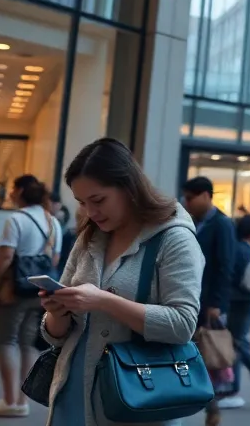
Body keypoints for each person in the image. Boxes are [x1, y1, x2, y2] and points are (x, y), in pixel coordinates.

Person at [41, 138, 204, 426]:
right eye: (82, 203)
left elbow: (182, 325)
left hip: (136, 396)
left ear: (128, 187)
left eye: (98, 200)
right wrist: (56, 311)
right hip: (72, 390)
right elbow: (55, 335)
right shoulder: (90, 237)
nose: (90, 212)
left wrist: (103, 300)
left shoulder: (174, 238)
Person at [0, 175, 61, 417]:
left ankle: (9, 400)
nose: (11, 194)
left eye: (13, 189)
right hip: (38, 290)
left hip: (13, 290)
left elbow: (6, 257)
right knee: (27, 343)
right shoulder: (52, 221)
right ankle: (22, 400)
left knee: (6, 341)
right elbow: (54, 260)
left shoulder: (16, 219)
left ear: (21, 191)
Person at [223, 214, 250, 408]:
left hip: (239, 301)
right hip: (244, 300)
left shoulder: (239, 248)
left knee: (236, 342)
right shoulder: (245, 250)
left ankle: (239, 384)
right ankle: (248, 378)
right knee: (237, 342)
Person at [181, 177, 237, 329]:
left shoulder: (222, 224)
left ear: (206, 195)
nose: (187, 204)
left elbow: (225, 266)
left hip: (208, 300)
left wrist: (217, 303)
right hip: (192, 296)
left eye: (190, 198)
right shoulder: (193, 222)